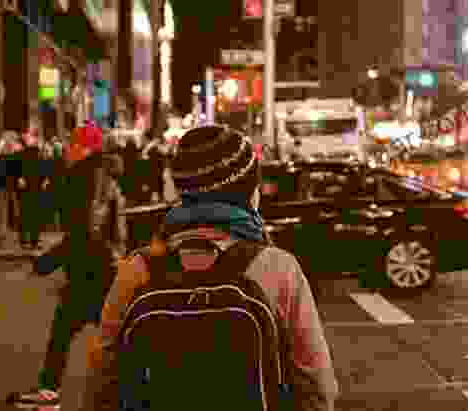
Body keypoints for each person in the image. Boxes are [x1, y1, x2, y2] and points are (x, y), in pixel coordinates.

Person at [83, 126, 339, 411]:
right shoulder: (278, 267)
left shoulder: (138, 269)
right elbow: (316, 383)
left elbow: (101, 376)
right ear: (248, 194)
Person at [7, 124, 127, 409]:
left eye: (72, 144)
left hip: (89, 270)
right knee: (106, 336)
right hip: (104, 267)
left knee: (76, 333)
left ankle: (50, 392)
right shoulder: (106, 177)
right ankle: (50, 391)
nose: (67, 150)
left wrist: (45, 263)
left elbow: (83, 234)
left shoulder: (82, 179)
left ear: (83, 148)